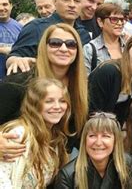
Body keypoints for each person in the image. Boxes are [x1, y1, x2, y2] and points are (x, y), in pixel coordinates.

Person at [0, 23, 88, 152]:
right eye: (55, 43)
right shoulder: (19, 83)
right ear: (44, 47)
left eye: (71, 44)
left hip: (57, 160)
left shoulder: (81, 87)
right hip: (19, 157)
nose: (64, 48)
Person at [6, 0, 90, 75]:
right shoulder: (35, 28)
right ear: (54, 1)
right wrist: (15, 60)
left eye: (77, 1)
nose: (72, 5)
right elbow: (15, 57)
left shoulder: (83, 34)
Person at [0, 78, 70, 188]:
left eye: (62, 101)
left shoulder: (56, 138)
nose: (57, 106)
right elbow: (2, 179)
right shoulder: (18, 134)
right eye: (49, 101)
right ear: (35, 104)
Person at [88, 33, 132, 125]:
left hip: (110, 129)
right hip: (90, 126)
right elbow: (93, 110)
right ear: (128, 49)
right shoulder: (109, 71)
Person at [54, 112, 132, 188]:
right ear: (84, 140)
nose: (98, 143)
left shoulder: (126, 163)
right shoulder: (67, 176)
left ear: (115, 141)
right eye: (92, 136)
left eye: (105, 136)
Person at [83, 3, 126, 74]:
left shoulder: (129, 46)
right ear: (100, 21)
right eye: (114, 19)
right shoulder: (89, 49)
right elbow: (85, 80)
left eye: (122, 19)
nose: (120, 23)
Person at [0, 0, 22, 80]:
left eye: (5, 4)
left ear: (11, 6)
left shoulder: (20, 27)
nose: (1, 8)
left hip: (13, 78)